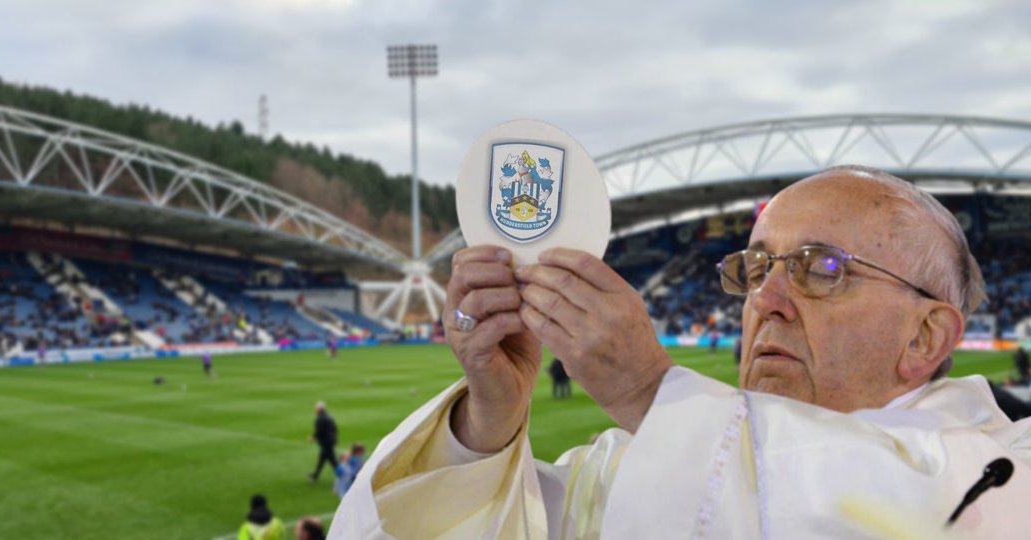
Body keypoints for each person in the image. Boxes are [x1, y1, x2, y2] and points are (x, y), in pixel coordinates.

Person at [330, 166, 1031, 538]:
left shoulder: (1003, 471)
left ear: (926, 336)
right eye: (756, 269)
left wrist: (646, 389)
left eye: (822, 268)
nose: (768, 300)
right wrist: (487, 422)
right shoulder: (629, 468)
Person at [308, 401, 337, 482]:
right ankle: (315, 475)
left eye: (315, 408)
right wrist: (335, 440)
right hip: (330, 441)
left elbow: (319, 431)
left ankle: (345, 476)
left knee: (333, 462)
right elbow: (334, 429)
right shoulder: (329, 416)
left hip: (326, 443)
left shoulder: (320, 418)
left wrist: (312, 437)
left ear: (319, 409)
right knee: (324, 459)